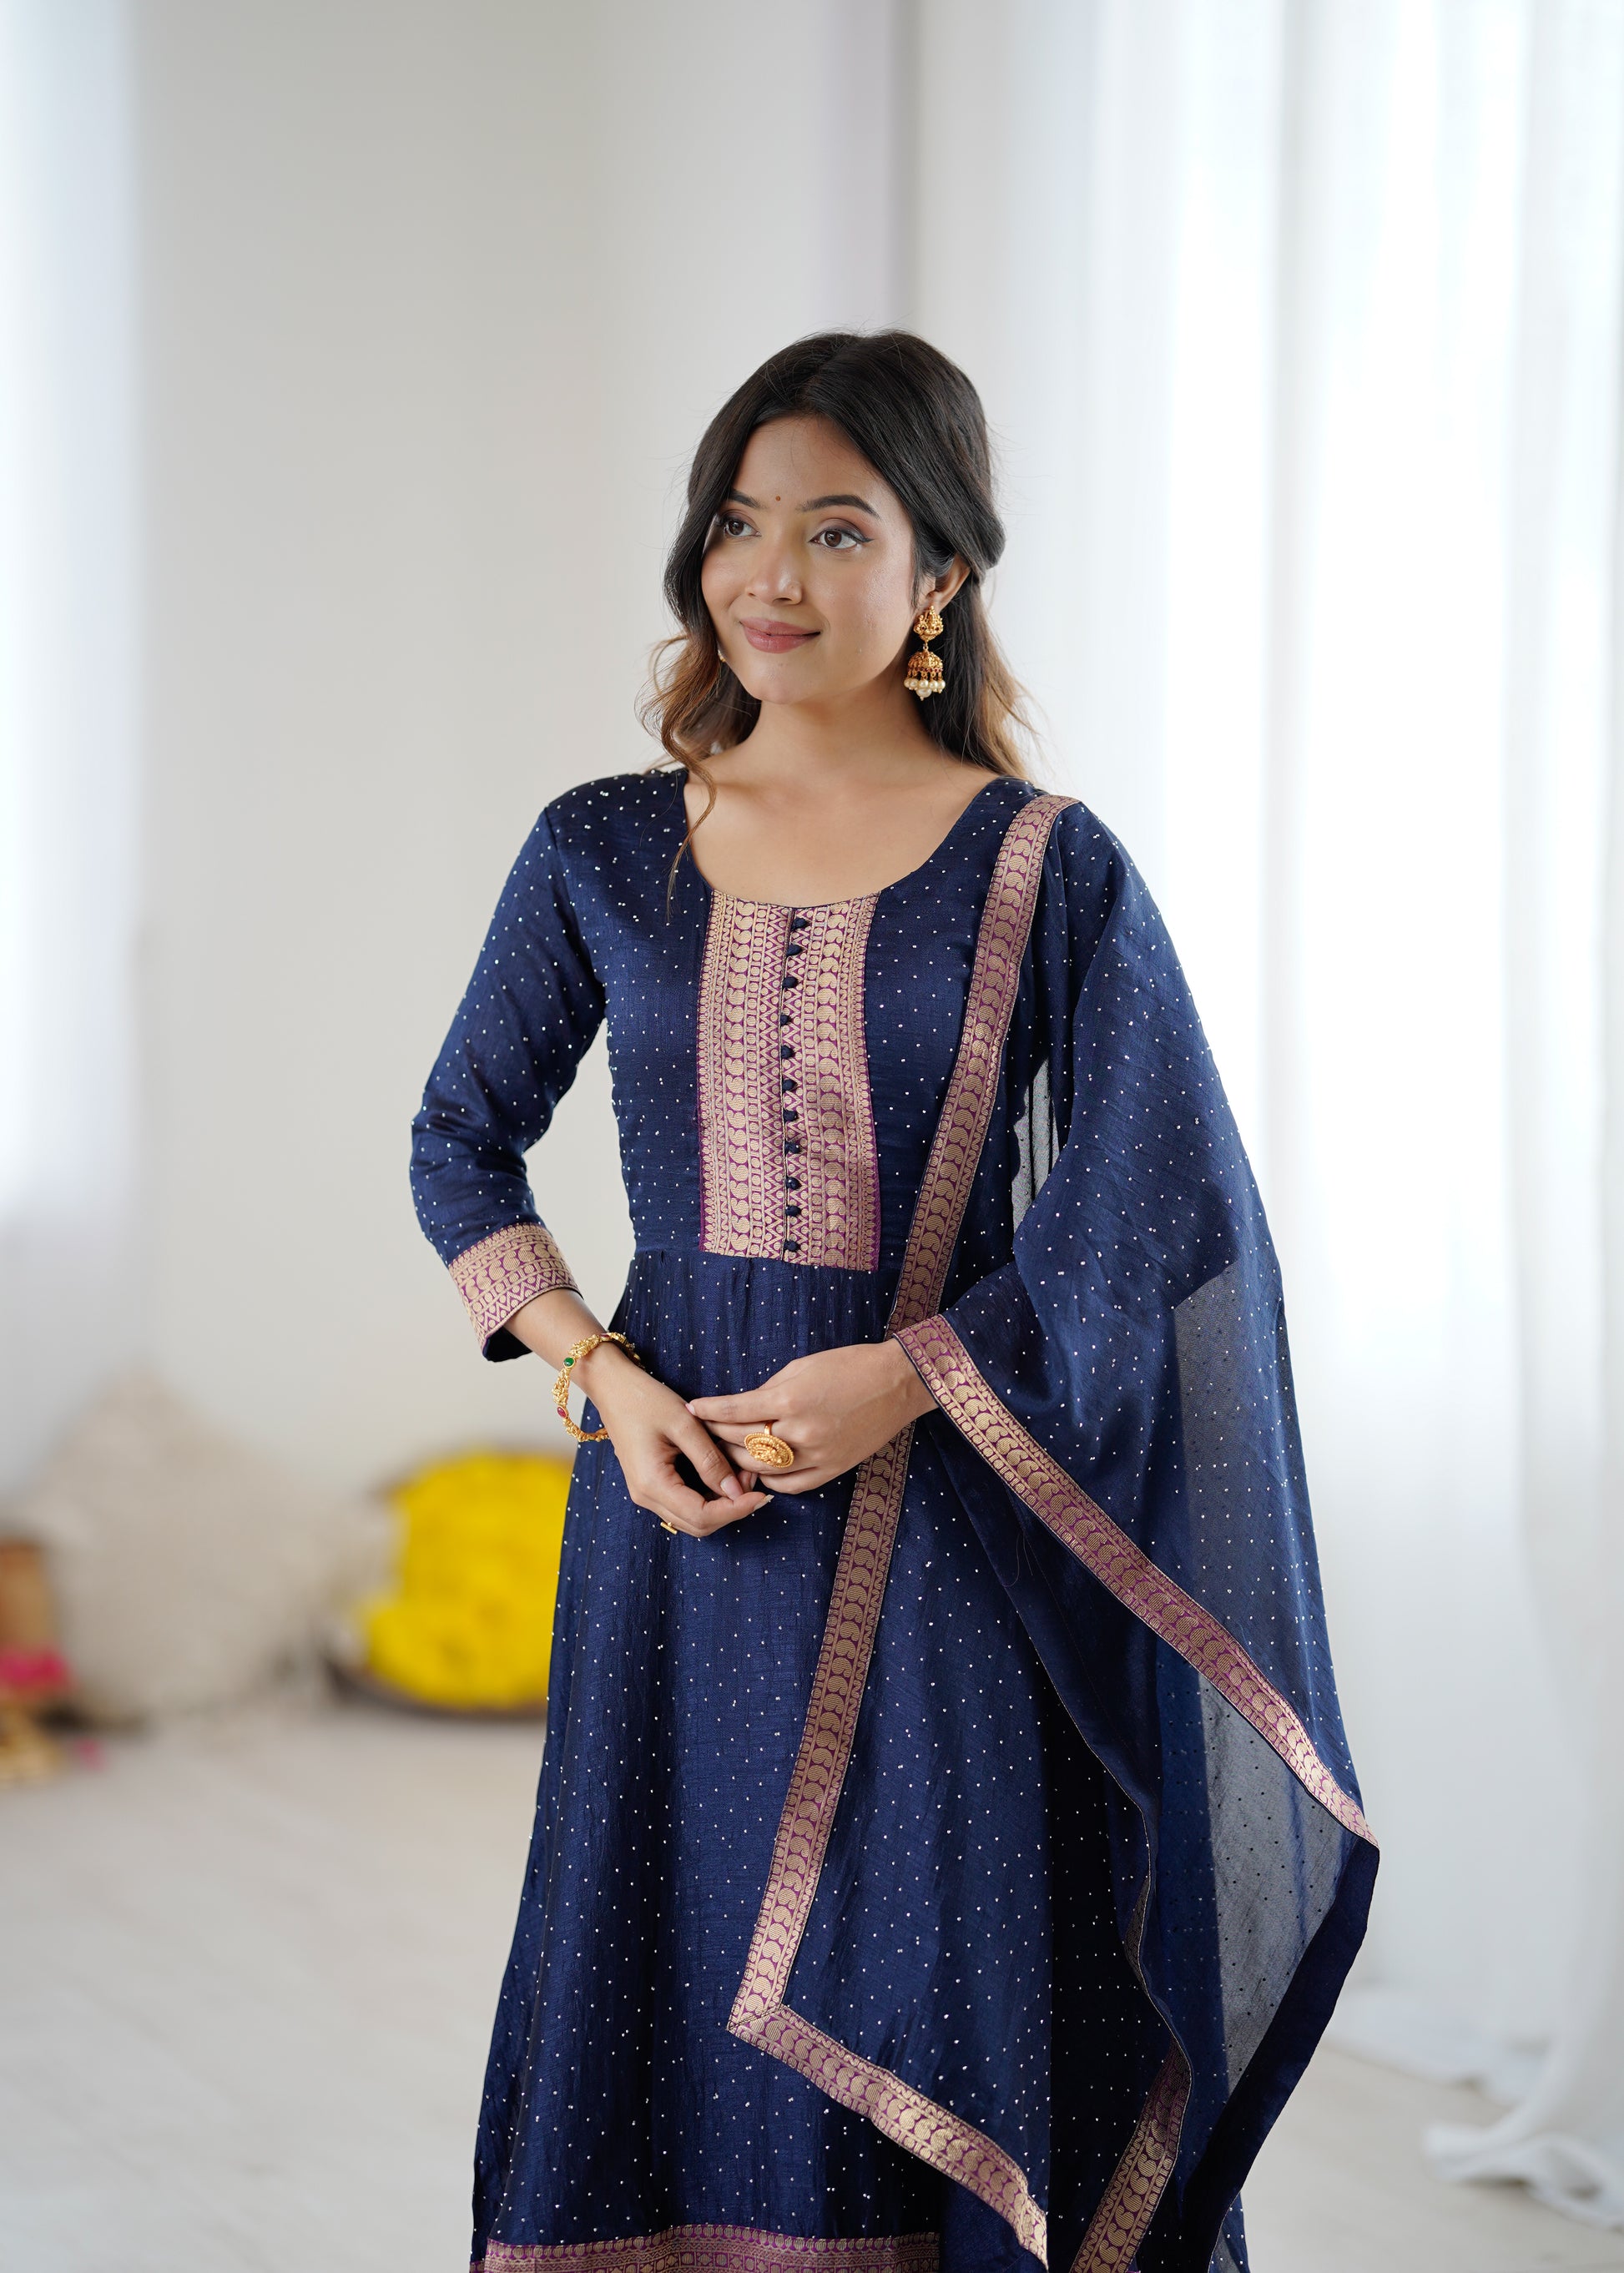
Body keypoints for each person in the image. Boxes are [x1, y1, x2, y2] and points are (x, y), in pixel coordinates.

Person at [410, 331, 1375, 2273]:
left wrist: (915, 1375)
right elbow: (460, 1141)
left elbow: (1155, 1207)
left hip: (944, 1522)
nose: (769, 574)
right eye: (737, 522)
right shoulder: (605, 845)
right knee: (668, 1938)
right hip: (673, 1519)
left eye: (836, 530)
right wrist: (601, 1380)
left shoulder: (1041, 866)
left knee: (929, 1950)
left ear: (938, 573)